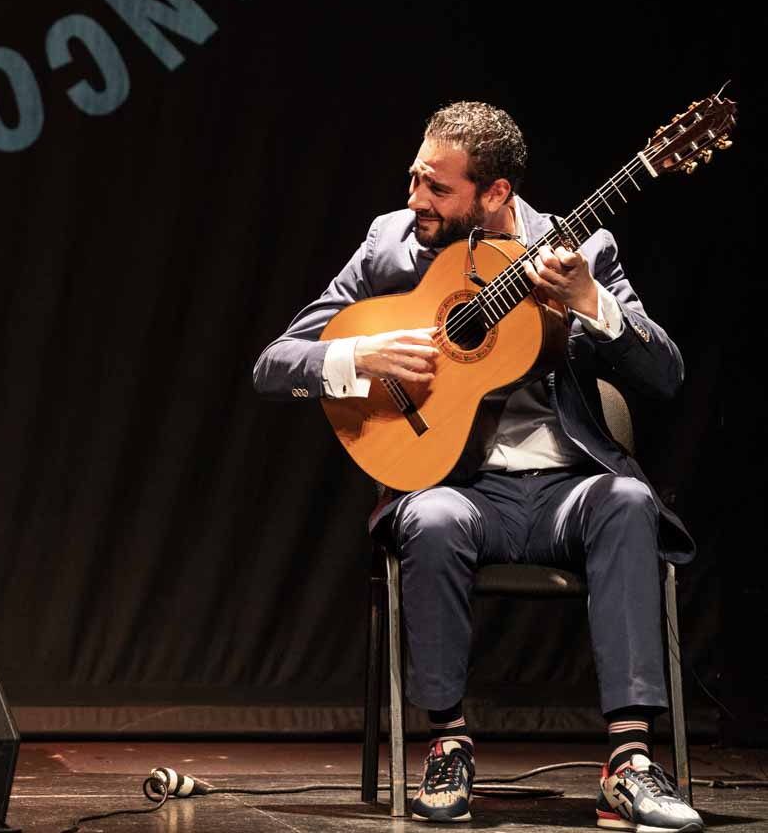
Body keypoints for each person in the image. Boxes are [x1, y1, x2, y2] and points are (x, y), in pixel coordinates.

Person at [253, 102, 702, 831]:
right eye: (415, 180)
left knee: (628, 500)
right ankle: (448, 745)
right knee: (429, 516)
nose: (414, 201)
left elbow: (667, 375)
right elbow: (274, 365)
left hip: (568, 491)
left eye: (437, 189)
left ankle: (629, 763)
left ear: (494, 194)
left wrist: (590, 302)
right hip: (460, 488)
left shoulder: (584, 249)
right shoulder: (390, 246)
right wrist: (356, 356)